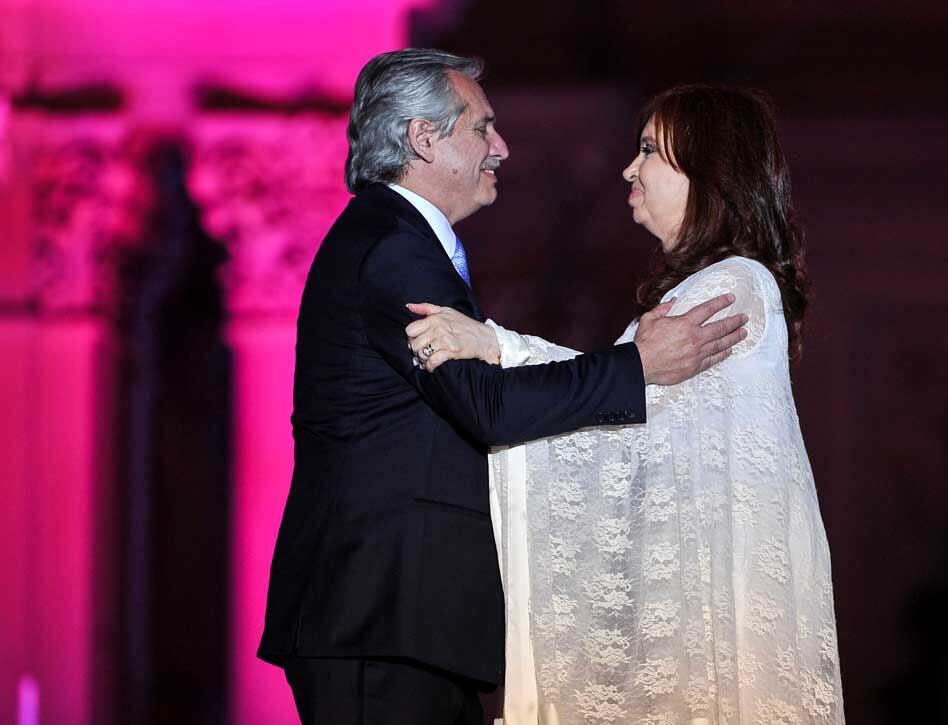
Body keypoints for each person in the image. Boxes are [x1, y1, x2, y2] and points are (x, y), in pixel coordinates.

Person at [257, 52, 750, 725]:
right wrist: (637, 367)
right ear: (423, 139)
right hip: (381, 619)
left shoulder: (401, 241)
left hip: (402, 623)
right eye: (483, 128)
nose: (502, 148)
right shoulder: (395, 247)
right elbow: (485, 404)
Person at [406, 84, 845, 724]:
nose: (628, 169)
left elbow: (620, 433)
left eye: (648, 152)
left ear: (708, 170)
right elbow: (625, 414)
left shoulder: (730, 286)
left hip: (704, 610)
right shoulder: (720, 283)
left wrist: (496, 346)